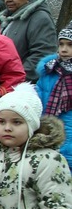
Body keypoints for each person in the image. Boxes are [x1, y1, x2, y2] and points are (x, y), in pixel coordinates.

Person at [0, 0, 56, 83]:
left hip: (23, 86)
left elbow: (42, 54)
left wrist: (16, 78)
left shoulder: (40, 18)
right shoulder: (6, 20)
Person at [35, 25, 72, 169]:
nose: (63, 49)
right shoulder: (49, 70)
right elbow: (38, 97)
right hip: (47, 128)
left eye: (70, 45)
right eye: (61, 44)